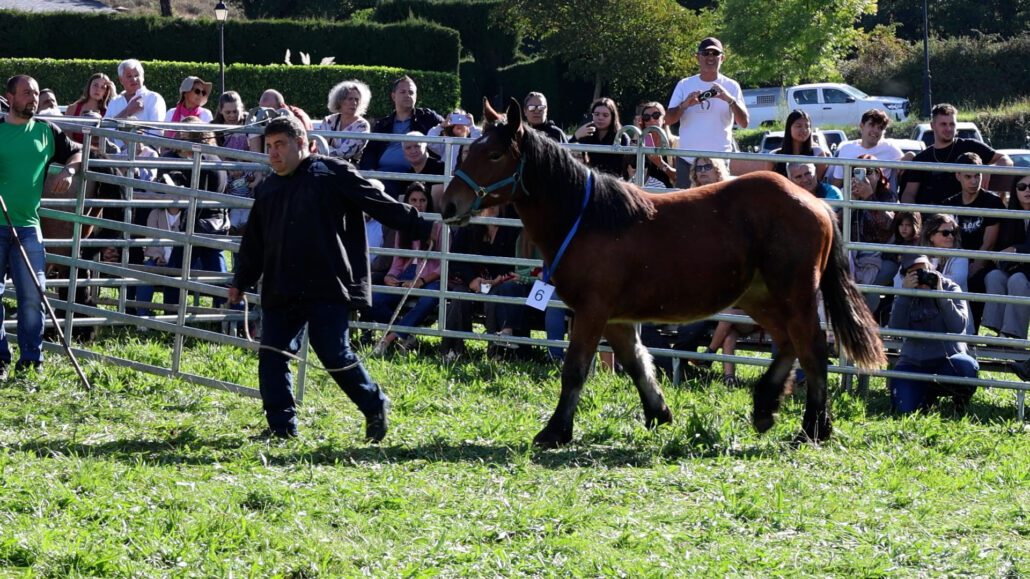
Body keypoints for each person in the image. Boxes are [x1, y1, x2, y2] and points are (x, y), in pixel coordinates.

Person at [228, 115, 431, 440]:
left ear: (300, 143)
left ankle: (373, 403)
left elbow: (376, 201)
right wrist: (241, 280)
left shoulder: (332, 172)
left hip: (328, 284)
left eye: (280, 145)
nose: (274, 154)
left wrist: (421, 226)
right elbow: (255, 241)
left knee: (334, 354)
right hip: (282, 286)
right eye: (269, 147)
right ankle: (282, 428)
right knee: (272, 354)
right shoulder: (267, 188)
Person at [0, 75, 82, 377]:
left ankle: (31, 361)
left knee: (33, 297)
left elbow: (77, 150)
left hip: (28, 226)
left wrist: (70, 171)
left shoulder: (47, 132)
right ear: (10, 98)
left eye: (35, 93)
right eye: (25, 93)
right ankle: (0, 359)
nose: (32, 99)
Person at [888, 254, 978, 413]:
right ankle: (925, 394)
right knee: (904, 409)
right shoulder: (904, 294)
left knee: (967, 367)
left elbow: (958, 326)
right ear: (906, 276)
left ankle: (959, 401)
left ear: (932, 269)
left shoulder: (950, 287)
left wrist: (940, 295)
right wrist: (905, 295)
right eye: (915, 274)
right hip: (913, 363)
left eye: (924, 271)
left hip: (948, 359)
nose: (922, 277)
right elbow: (896, 328)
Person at [369, 181, 443, 355]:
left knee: (428, 299)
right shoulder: (402, 225)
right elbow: (398, 261)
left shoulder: (438, 225)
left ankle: (389, 338)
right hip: (407, 274)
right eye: (414, 200)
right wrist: (390, 276)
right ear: (407, 202)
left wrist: (422, 280)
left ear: (428, 202)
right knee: (373, 299)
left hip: (431, 276)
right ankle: (404, 331)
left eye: (422, 200)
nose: (418, 204)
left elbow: (443, 264)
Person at [665, 37, 749, 188]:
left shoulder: (731, 86)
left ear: (722, 58)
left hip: (719, 161)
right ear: (698, 57)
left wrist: (729, 99)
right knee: (685, 207)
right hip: (687, 160)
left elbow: (744, 123)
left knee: (720, 208)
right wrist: (685, 105)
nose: (710, 57)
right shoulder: (684, 84)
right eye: (706, 53)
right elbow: (668, 120)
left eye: (715, 53)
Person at [438, 203, 518, 359]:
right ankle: (453, 348)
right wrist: (471, 280)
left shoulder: (511, 228)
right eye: (488, 202)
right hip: (471, 281)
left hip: (499, 282)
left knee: (494, 297)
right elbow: (456, 259)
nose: (492, 206)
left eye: (496, 202)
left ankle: (496, 351)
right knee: (459, 295)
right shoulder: (469, 226)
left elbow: (514, 260)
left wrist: (498, 278)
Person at [902, 103, 1012, 206]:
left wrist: (990, 169)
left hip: (967, 218)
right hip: (932, 219)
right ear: (932, 125)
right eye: (943, 124)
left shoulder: (969, 146)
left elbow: (1006, 159)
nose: (948, 128)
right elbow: (909, 194)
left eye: (952, 124)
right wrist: (913, 216)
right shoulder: (922, 158)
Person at [942, 152, 1005, 330]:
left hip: (983, 264)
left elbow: (989, 244)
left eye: (977, 175)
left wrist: (972, 269)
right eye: (968, 176)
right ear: (958, 176)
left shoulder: (992, 203)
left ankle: (971, 335)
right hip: (954, 261)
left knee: (976, 282)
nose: (974, 181)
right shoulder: (949, 204)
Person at [360, 76, 443, 198]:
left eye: (411, 92)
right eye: (403, 92)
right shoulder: (383, 124)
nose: (407, 95)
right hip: (381, 175)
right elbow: (369, 153)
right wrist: (370, 174)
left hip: (414, 174)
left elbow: (448, 129)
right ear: (393, 96)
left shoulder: (427, 117)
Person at [982, 175, 1030, 341]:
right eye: (1022, 186)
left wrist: (1016, 250)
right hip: (1016, 268)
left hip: (1024, 273)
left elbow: (1013, 249)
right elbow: (1001, 248)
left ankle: (1013, 337)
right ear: (1015, 190)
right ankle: (997, 333)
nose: (1027, 190)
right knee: (994, 276)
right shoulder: (1009, 215)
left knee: (1017, 280)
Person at [847, 156, 898, 312]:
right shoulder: (847, 195)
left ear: (878, 174)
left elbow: (889, 227)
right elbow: (837, 226)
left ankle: (864, 328)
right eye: (856, 172)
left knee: (870, 289)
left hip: (884, 258)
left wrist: (869, 198)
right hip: (853, 258)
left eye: (869, 172)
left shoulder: (888, 196)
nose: (864, 176)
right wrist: (849, 204)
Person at [830, 109, 906, 188]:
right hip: (851, 197)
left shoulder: (890, 149)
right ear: (862, 125)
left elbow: (906, 161)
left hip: (877, 198)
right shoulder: (846, 149)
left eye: (880, 128)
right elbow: (837, 182)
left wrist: (909, 156)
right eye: (872, 125)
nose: (876, 130)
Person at [105, 59, 167, 142]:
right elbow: (104, 130)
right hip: (116, 153)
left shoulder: (154, 98)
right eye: (129, 76)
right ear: (121, 80)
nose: (134, 79)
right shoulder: (114, 101)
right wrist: (127, 111)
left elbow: (157, 133)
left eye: (137, 75)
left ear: (143, 77)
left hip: (145, 153)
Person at [570, 97, 630, 178]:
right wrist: (576, 136)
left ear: (613, 117)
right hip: (590, 180)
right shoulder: (586, 133)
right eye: (597, 114)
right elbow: (566, 153)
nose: (600, 118)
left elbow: (626, 167)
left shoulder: (621, 137)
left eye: (605, 115)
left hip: (614, 182)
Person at [769, 109, 829, 179]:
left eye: (807, 126)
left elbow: (818, 183)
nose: (804, 130)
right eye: (799, 126)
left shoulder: (817, 153)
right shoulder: (774, 156)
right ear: (789, 128)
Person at [320, 79, 371, 162]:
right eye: (350, 99)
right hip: (326, 165)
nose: (354, 103)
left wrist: (328, 151)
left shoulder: (362, 125)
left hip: (348, 168)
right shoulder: (329, 120)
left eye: (357, 99)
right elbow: (320, 146)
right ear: (340, 101)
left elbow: (345, 153)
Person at [630, 102, 677, 188]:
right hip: (643, 191)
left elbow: (680, 177)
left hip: (667, 193)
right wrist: (637, 130)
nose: (651, 120)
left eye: (656, 115)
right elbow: (629, 161)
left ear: (664, 118)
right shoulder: (643, 140)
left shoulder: (675, 142)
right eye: (646, 117)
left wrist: (661, 164)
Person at [66, 73, 116, 143]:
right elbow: (67, 137)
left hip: (98, 152)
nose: (98, 89)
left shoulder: (108, 112)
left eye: (102, 87)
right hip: (75, 151)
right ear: (89, 86)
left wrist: (113, 93)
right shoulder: (73, 108)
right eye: (95, 85)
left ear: (106, 92)